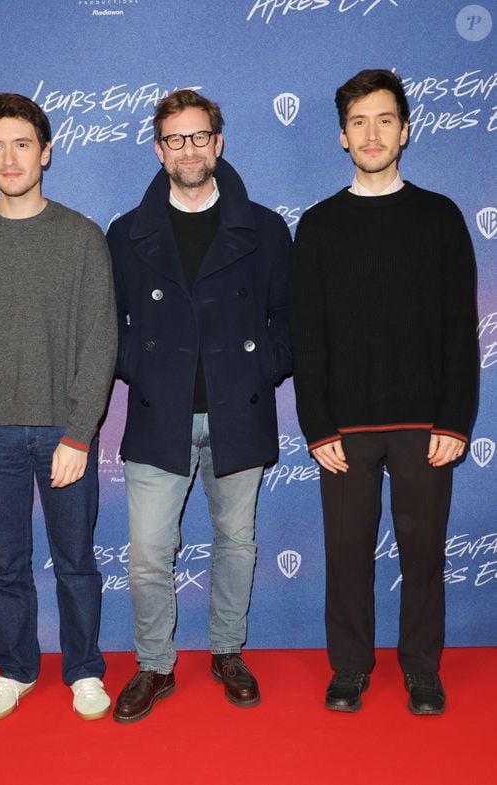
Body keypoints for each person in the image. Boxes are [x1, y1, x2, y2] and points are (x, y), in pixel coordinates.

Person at [290, 70, 477, 715]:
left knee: (424, 554)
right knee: (345, 555)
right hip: (345, 430)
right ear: (343, 136)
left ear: (405, 129)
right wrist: (316, 426)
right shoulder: (316, 225)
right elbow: (305, 337)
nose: (373, 133)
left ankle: (421, 668)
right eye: (359, 122)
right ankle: (349, 666)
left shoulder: (441, 216)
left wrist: (455, 420)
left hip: (425, 425)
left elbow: (461, 328)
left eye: (385, 120)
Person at [0, 93, 117, 721]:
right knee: (5, 563)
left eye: (21, 143)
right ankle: (14, 670)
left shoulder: (82, 237)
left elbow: (100, 344)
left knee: (76, 562)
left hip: (65, 434)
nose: (9, 158)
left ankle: (85, 670)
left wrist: (80, 434)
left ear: (46, 151)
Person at [107, 89, 291, 723]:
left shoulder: (264, 228)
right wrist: (145, 367)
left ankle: (226, 653)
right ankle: (155, 665)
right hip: (160, 415)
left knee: (236, 542)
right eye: (175, 139)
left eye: (199, 136)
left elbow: (285, 322)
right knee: (149, 552)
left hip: (239, 411)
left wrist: (258, 369)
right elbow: (113, 326)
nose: (189, 149)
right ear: (160, 150)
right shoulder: (127, 233)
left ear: (218, 141)